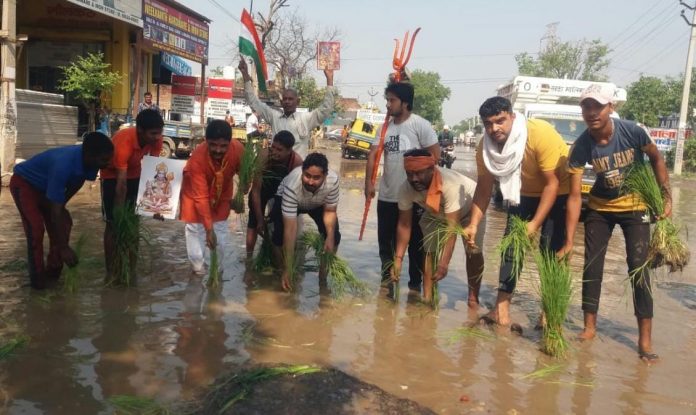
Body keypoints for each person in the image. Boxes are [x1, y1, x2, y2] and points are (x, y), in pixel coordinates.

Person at [560, 84, 670, 363]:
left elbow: (657, 158)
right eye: (586, 106)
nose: (592, 112)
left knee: (638, 269)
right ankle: (589, 328)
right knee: (591, 265)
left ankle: (644, 340)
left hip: (636, 207)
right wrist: (569, 240)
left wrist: (666, 197)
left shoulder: (632, 131)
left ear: (611, 108)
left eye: (598, 106)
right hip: (600, 208)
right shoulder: (581, 145)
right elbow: (574, 197)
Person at [461, 96, 569, 330]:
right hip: (522, 193)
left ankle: (549, 312)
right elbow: (484, 187)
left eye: (500, 121)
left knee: (550, 252)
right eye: (488, 123)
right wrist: (473, 224)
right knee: (511, 249)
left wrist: (534, 224)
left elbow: (553, 184)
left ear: (512, 116)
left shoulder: (539, 134)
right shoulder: (485, 148)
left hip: (559, 191)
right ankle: (501, 309)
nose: (494, 128)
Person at [9, 133, 114, 289]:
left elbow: (77, 182)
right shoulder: (63, 164)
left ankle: (53, 273)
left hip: (46, 188)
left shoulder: (90, 163)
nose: (108, 164)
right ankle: (37, 284)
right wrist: (64, 247)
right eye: (104, 160)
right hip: (25, 184)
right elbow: (55, 212)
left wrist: (60, 205)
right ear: (90, 156)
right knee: (36, 228)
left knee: (64, 223)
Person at [364, 82, 440, 292]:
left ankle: (415, 288)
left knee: (417, 244)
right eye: (387, 100)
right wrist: (369, 183)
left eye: (392, 100)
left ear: (405, 103)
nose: (388, 105)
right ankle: (387, 284)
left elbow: (436, 157)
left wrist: (427, 190)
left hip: (415, 198)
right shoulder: (384, 128)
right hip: (388, 195)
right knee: (385, 245)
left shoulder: (420, 125)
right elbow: (372, 156)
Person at [390, 149, 485, 306]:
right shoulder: (406, 189)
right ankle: (428, 298)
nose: (414, 179)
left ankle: (473, 299)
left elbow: (451, 229)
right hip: (435, 211)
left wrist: (444, 264)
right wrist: (398, 258)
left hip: (470, 208)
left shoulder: (449, 185)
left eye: (419, 173)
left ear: (431, 169)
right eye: (409, 173)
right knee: (428, 251)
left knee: (473, 252)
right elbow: (404, 224)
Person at [100, 109, 164, 277]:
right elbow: (121, 185)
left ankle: (131, 269)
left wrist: (157, 207)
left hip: (135, 174)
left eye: (159, 133)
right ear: (140, 131)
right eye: (153, 133)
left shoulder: (157, 140)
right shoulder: (124, 142)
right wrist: (119, 212)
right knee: (113, 223)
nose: (158, 137)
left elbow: (154, 172)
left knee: (134, 223)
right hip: (112, 176)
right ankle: (111, 270)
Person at [180, 120, 244, 275]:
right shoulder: (197, 160)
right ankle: (198, 270)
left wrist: (241, 193)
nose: (218, 150)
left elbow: (245, 173)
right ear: (205, 141)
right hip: (194, 196)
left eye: (223, 146)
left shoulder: (238, 150)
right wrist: (209, 230)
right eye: (213, 145)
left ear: (230, 143)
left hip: (222, 196)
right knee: (197, 232)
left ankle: (216, 271)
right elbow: (201, 198)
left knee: (220, 236)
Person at [270, 152, 341, 291]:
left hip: (317, 203)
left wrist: (330, 237)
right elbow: (290, 230)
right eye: (307, 175)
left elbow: (330, 212)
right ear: (302, 171)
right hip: (289, 199)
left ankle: (323, 278)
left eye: (316, 178)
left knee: (334, 237)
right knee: (278, 236)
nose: (310, 181)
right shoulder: (292, 184)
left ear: (325, 176)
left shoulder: (333, 181)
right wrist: (288, 268)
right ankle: (282, 270)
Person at [238, 58, 335, 157]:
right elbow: (254, 102)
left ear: (298, 102)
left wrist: (330, 81)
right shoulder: (274, 117)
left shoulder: (306, 119)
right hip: (276, 169)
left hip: (297, 170)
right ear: (281, 102)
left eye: (291, 99)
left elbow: (325, 109)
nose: (287, 102)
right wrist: (245, 77)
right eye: (285, 99)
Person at [246, 130, 303, 259]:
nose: (274, 152)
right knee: (253, 221)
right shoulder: (263, 156)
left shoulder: (296, 163)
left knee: (279, 224)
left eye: (280, 150)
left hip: (283, 192)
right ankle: (248, 258)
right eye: (273, 147)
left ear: (289, 151)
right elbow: (255, 191)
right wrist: (260, 219)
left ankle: (281, 257)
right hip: (262, 190)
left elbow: (294, 195)